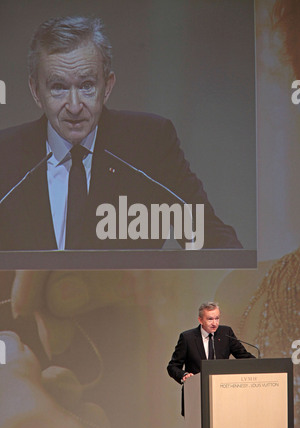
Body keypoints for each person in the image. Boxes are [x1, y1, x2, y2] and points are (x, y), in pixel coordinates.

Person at [0, 16, 242, 251]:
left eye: (86, 86)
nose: (74, 106)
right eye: (59, 87)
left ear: (107, 87)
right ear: (35, 91)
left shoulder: (149, 143)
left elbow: (207, 236)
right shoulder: (6, 155)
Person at [167, 302, 255, 386]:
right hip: (196, 391)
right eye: (210, 319)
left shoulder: (226, 333)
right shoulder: (187, 338)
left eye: (217, 318)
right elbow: (173, 367)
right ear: (200, 320)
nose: (214, 323)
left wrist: (260, 365)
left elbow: (244, 357)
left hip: (222, 390)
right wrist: (184, 375)